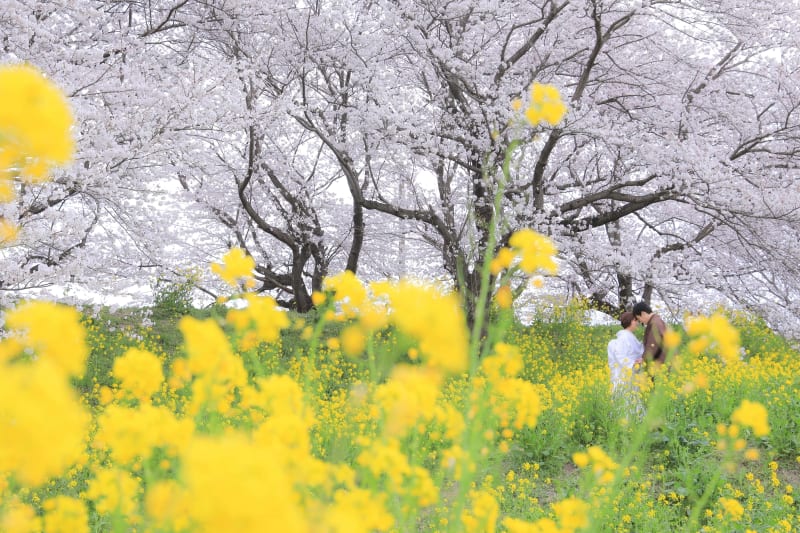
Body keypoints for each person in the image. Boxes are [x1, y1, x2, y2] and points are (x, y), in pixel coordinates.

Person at [607, 311, 644, 395]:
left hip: (631, 373)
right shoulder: (624, 337)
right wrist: (632, 363)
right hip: (624, 375)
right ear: (630, 321)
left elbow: (638, 350)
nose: (637, 323)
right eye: (635, 320)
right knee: (625, 395)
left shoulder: (629, 336)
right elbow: (619, 355)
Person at [632, 301, 667, 367]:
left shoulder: (655, 323)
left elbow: (652, 344)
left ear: (643, 313)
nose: (640, 322)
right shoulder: (657, 321)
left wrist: (643, 359)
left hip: (662, 364)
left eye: (639, 318)